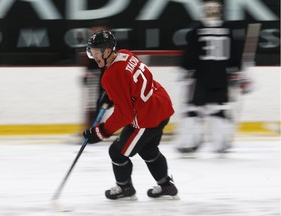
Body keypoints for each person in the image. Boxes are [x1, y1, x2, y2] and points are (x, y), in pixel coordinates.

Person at [82, 30, 178, 200]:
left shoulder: (110, 76)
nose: (94, 56)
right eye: (93, 52)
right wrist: (112, 95)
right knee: (148, 149)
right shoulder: (125, 54)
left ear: (108, 51)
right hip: (161, 106)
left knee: (117, 152)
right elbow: (129, 83)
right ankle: (166, 185)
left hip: (146, 118)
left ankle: (124, 188)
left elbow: (125, 114)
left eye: (97, 52)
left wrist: (101, 131)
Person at [175, 0, 245, 154]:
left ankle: (190, 142)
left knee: (192, 110)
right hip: (221, 77)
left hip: (201, 77)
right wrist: (238, 71)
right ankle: (220, 143)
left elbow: (190, 53)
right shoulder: (228, 29)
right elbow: (235, 54)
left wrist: (184, 70)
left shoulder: (197, 29)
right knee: (218, 110)